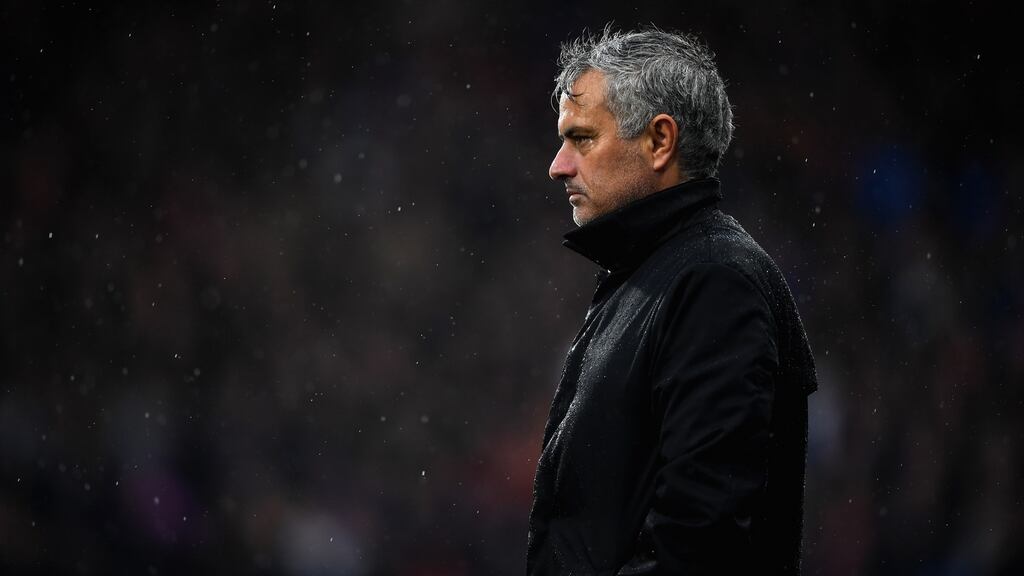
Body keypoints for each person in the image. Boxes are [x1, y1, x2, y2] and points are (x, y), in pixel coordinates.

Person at [526, 27, 818, 575]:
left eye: (582, 138)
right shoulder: (655, 275)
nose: (558, 165)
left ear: (661, 141)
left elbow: (700, 541)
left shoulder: (715, 282)